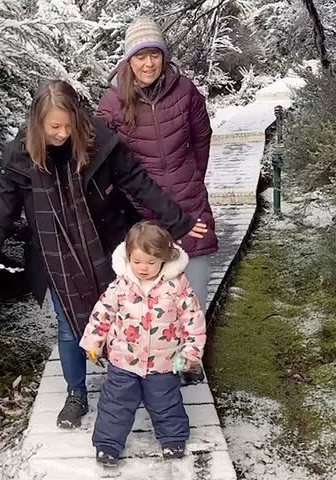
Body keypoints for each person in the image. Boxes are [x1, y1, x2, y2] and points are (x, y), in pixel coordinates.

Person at [0, 80, 208, 429]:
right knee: (71, 328)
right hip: (55, 259)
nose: (62, 134)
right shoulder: (19, 159)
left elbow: (138, 182)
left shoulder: (97, 141)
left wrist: (176, 221)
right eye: (54, 127)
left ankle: (134, 383)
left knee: (125, 318)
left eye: (69, 125)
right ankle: (76, 393)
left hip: (108, 247)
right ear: (37, 122)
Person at [97, 18, 217, 383]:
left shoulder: (185, 91)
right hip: (142, 210)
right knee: (148, 290)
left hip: (189, 200)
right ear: (128, 61)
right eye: (140, 56)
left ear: (163, 57)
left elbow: (202, 138)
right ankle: (149, 362)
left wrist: (191, 178)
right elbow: (105, 159)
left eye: (154, 55)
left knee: (192, 288)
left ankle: (187, 360)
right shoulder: (113, 103)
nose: (148, 64)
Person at [80, 221, 206, 467]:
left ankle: (173, 438)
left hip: (164, 360)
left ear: (164, 258)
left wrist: (190, 351)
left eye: (150, 262)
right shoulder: (121, 284)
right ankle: (107, 444)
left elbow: (193, 319)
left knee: (165, 401)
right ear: (128, 258)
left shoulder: (177, 286)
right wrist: (93, 342)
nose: (143, 268)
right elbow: (102, 313)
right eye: (137, 262)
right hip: (123, 359)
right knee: (116, 403)